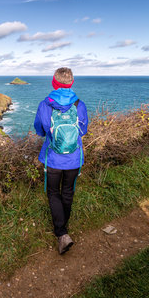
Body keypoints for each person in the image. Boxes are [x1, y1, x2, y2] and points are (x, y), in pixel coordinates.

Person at [34, 67, 88, 254]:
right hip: (74, 159)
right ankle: (64, 229)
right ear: (71, 83)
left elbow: (39, 130)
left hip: (53, 159)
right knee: (67, 192)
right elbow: (83, 130)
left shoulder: (45, 105)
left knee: (53, 193)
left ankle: (62, 233)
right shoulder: (79, 105)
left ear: (54, 82)